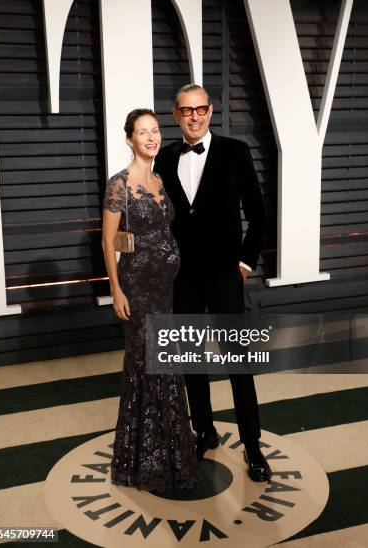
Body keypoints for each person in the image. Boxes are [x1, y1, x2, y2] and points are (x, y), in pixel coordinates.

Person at [154, 84, 271, 482]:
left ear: (210, 111)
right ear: (175, 114)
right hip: (182, 279)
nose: (194, 116)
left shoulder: (235, 151)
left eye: (200, 109)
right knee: (190, 359)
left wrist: (243, 264)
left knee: (238, 363)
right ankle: (204, 430)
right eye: (186, 110)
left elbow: (258, 216)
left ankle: (253, 446)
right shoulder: (165, 158)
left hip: (224, 276)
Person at [102, 108, 201, 492]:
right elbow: (109, 242)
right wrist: (116, 289)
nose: (151, 137)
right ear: (130, 139)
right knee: (147, 364)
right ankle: (145, 460)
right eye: (142, 132)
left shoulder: (161, 179)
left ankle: (170, 450)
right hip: (138, 288)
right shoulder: (119, 185)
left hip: (165, 288)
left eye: (155, 131)